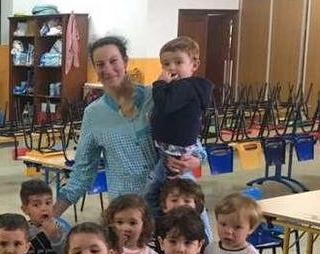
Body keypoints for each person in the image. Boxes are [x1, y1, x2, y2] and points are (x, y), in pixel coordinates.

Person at [52, 36, 203, 219]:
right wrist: (49, 216)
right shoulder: (94, 114)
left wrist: (196, 158)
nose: (107, 69)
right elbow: (82, 173)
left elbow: (190, 134)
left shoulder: (156, 96)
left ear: (125, 61)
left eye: (113, 61)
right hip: (128, 213)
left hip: (176, 203)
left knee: (186, 246)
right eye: (100, 64)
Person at [143, 36, 212, 216]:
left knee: (160, 190)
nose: (171, 68)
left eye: (178, 62)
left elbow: (164, 104)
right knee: (172, 190)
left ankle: (170, 216)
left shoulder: (185, 88)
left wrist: (159, 84)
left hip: (173, 150)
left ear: (194, 65)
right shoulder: (182, 88)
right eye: (166, 64)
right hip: (170, 147)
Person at [158, 178, 212, 242]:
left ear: (196, 206)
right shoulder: (157, 228)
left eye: (187, 201)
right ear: (164, 206)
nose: (180, 205)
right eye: (174, 200)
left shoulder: (198, 229)